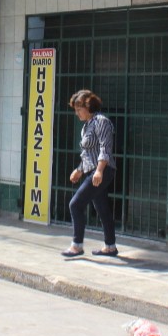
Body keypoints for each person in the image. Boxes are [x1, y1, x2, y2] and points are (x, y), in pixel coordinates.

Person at [61, 89, 118, 257]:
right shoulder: (87, 125)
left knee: (75, 204)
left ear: (89, 106)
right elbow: (88, 153)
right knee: (102, 208)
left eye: (79, 109)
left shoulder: (101, 122)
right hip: (92, 170)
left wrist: (99, 171)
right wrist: (79, 170)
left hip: (102, 170)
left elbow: (104, 148)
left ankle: (76, 245)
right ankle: (110, 246)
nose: (77, 112)